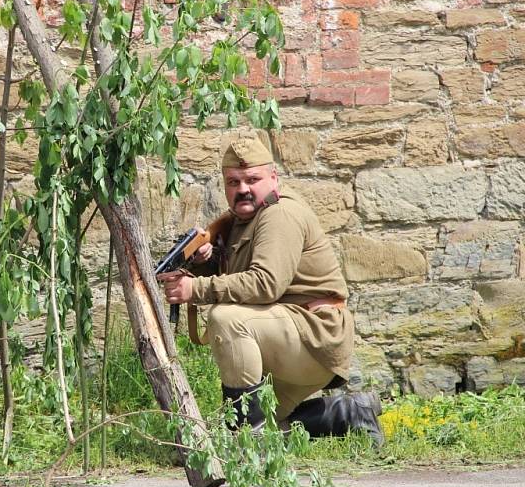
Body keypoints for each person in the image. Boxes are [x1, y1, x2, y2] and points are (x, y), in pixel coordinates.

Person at [157, 134, 384, 447]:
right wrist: (208, 260)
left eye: (252, 179)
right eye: (233, 182)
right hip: (286, 334)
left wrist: (195, 288)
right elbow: (242, 275)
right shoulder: (242, 219)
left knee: (226, 320)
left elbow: (265, 284)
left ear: (273, 178)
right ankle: (350, 413)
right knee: (262, 429)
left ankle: (249, 444)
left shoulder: (280, 214)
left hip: (314, 334)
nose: (243, 189)